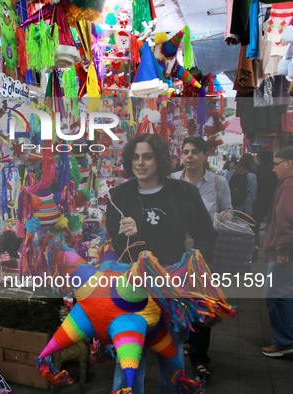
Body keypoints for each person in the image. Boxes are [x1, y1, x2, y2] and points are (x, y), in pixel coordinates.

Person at [107, 134, 216, 394]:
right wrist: (128, 235)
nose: (140, 163)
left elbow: (206, 232)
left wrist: (196, 258)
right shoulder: (119, 196)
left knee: (171, 358)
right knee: (130, 360)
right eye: (135, 157)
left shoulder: (184, 192)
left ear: (160, 159)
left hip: (173, 287)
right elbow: (118, 247)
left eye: (147, 157)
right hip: (135, 289)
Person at [170, 136, 232, 381]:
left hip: (204, 252)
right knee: (178, 300)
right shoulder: (172, 181)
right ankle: (183, 342)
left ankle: (199, 357)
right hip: (175, 252)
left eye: (195, 151)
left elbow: (227, 210)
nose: (189, 156)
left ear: (205, 155)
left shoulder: (218, 182)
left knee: (202, 303)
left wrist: (226, 216)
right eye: (185, 151)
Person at [261, 146, 293, 357]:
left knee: (277, 294)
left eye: (277, 164)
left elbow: (285, 219)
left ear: (288, 163)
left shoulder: (288, 184)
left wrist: (282, 247)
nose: (274, 169)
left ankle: (284, 342)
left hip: (284, 252)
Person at [252, 151, 279, 261]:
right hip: (273, 201)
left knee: (255, 226)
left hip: (259, 202)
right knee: (274, 226)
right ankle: (274, 250)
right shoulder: (275, 170)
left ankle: (255, 249)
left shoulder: (257, 170)